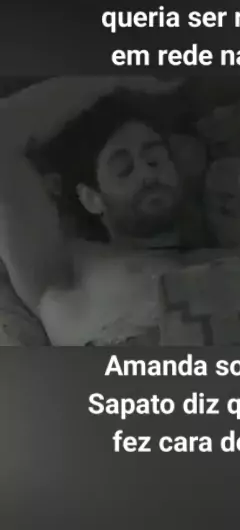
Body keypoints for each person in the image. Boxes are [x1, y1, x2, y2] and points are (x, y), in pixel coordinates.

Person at [0, 89, 193, 345]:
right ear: (92, 198)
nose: (147, 174)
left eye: (154, 160)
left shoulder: (232, 253)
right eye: (124, 169)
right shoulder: (68, 272)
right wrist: (117, 78)